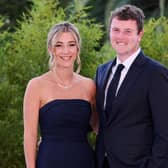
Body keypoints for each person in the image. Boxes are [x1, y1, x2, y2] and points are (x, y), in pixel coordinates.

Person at [95, 4, 168, 168]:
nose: (120, 36)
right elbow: (101, 119)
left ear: (140, 35)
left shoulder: (156, 74)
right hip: (102, 162)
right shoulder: (101, 71)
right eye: (116, 30)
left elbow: (165, 131)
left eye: (127, 31)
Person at [23, 21, 98, 168]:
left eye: (71, 44)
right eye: (59, 45)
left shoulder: (89, 85)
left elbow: (99, 127)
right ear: (51, 49)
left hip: (84, 161)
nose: (66, 51)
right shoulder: (36, 86)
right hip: (49, 161)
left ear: (77, 48)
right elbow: (30, 136)